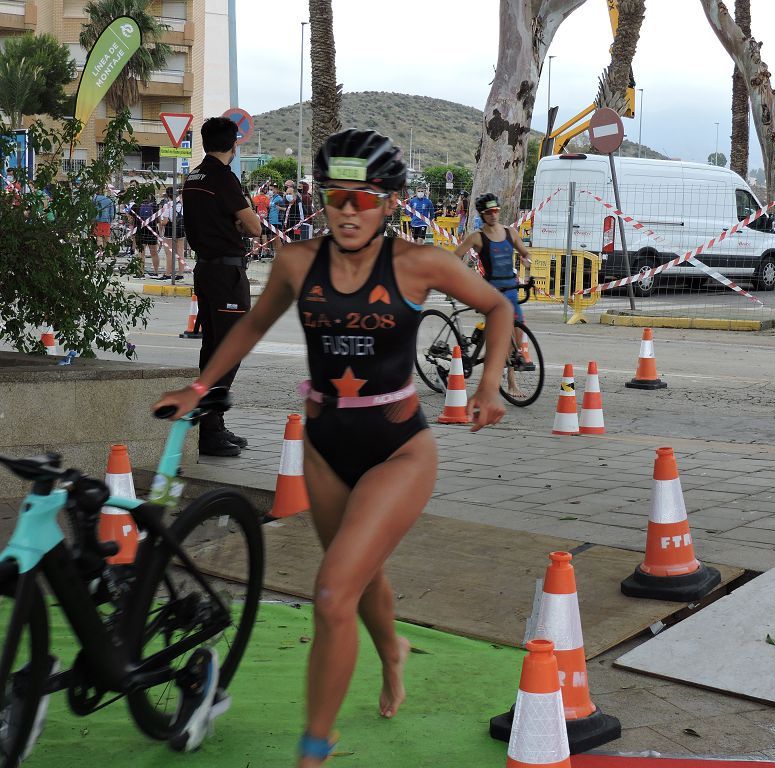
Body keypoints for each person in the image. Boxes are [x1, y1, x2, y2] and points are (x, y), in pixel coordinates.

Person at [153, 129, 511, 766]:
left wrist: (487, 384)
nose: (348, 210)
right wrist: (200, 385)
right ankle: (392, 651)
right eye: (336, 196)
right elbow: (253, 325)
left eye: (364, 199)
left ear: (390, 203)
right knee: (359, 573)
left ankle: (314, 747)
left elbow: (497, 307)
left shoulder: (419, 263)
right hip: (323, 450)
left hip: (399, 450)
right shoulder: (297, 263)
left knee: (331, 592)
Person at [179, 116, 263, 456]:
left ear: (204, 142)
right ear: (233, 144)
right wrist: (239, 224)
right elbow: (254, 226)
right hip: (227, 274)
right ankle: (210, 432)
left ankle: (213, 426)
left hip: (206, 269)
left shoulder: (194, 176)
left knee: (213, 348)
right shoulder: (222, 178)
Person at [454, 192, 532, 397]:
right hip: (491, 290)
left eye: (496, 210)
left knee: (515, 336)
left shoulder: (510, 233)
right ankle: (508, 383)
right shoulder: (477, 237)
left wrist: (526, 261)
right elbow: (456, 256)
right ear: (482, 214)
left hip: (512, 290)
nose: (494, 215)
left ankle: (509, 377)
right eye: (489, 212)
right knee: (499, 336)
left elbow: (525, 253)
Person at [161, 187, 189, 278]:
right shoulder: (181, 205)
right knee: (180, 252)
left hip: (170, 230)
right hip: (181, 229)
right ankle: (180, 274)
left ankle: (168, 274)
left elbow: (165, 222)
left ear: (167, 195)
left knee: (169, 253)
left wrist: (160, 223)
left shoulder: (167, 205)